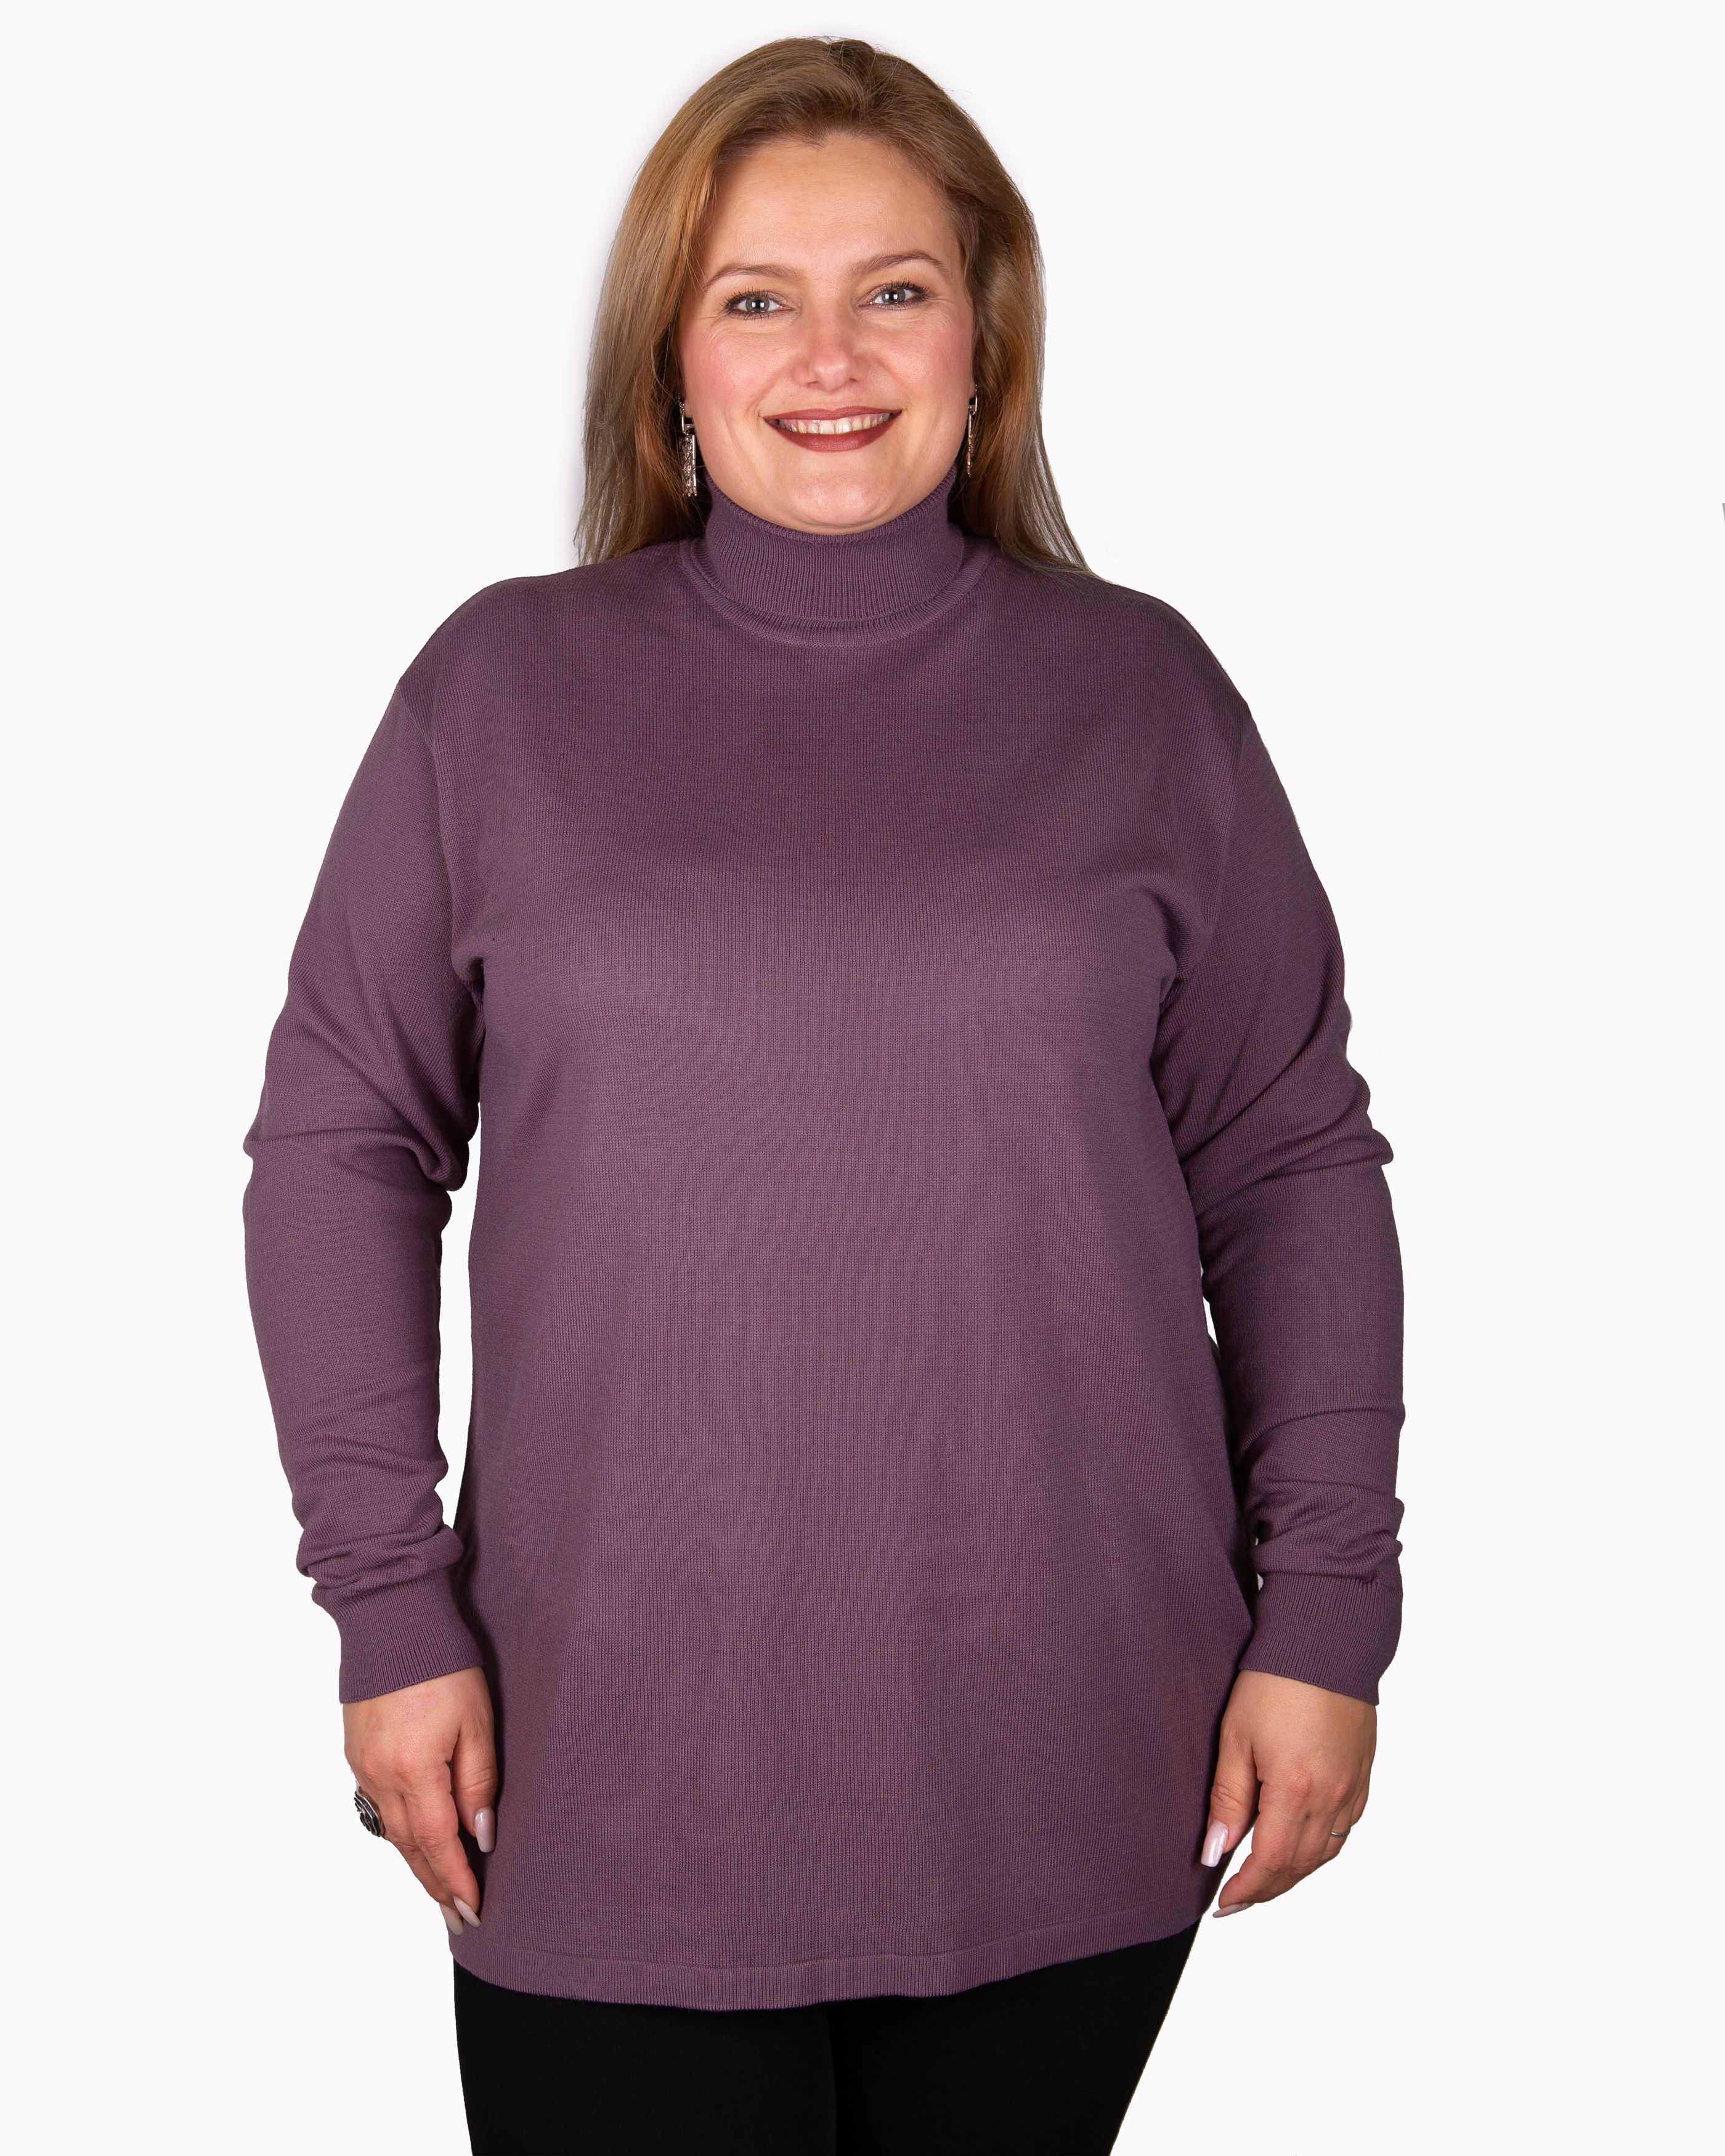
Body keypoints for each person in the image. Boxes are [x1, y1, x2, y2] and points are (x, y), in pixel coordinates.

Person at [242, 34, 1405, 2155]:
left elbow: (1290, 1160)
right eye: (758, 296)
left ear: (987, 337)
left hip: (1078, 1731)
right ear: (671, 361)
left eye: (897, 290)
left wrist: (1331, 1605)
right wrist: (385, 1598)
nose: (832, 357)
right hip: (602, 1753)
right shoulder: (500, 690)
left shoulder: (1141, 692)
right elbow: (341, 1146)